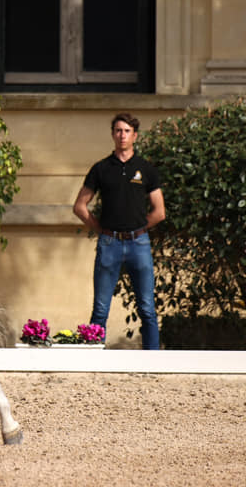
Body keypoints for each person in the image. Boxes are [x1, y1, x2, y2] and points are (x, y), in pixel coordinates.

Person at [73, 112, 165, 349]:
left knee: (147, 307)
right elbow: (80, 206)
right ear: (112, 134)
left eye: (126, 131)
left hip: (139, 244)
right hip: (109, 244)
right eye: (118, 130)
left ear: (134, 135)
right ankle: (94, 360)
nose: (122, 135)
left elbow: (159, 211)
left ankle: (153, 362)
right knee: (101, 308)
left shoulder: (145, 169)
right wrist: (101, 229)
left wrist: (139, 228)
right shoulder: (101, 168)